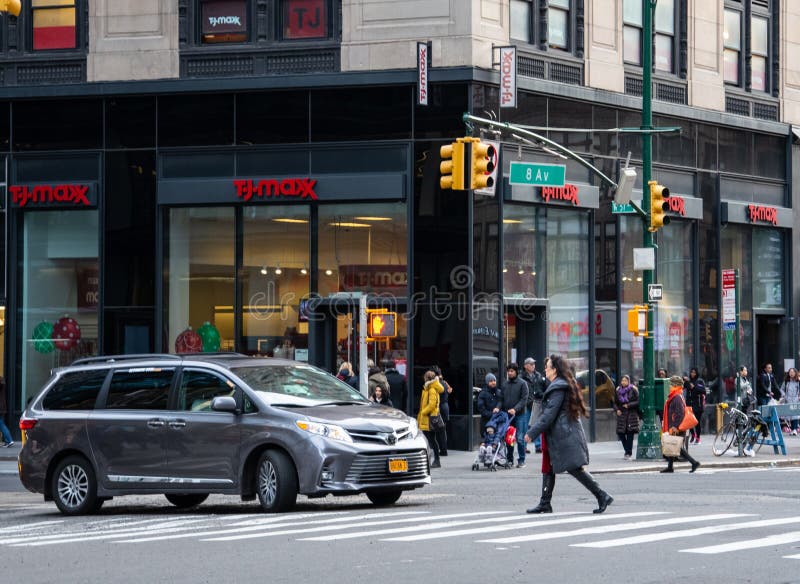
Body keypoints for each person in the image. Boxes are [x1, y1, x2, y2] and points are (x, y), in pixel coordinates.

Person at [524, 354, 613, 514]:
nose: (545, 369)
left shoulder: (558, 387)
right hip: (559, 434)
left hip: (563, 435)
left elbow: (549, 415)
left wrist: (532, 432)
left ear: (555, 370)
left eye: (547, 367)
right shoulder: (557, 384)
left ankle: (602, 495)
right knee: (549, 467)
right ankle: (545, 502)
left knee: (574, 468)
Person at [661, 375, 700, 474]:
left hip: (676, 426)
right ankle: (670, 467)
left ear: (675, 385)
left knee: (677, 447)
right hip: (674, 425)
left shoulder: (677, 397)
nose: (669, 386)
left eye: (671, 384)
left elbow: (680, 413)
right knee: (672, 444)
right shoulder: (676, 395)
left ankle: (694, 462)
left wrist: (675, 426)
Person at [500, 363, 529, 468]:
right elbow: (501, 399)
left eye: (512, 371)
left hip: (520, 415)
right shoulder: (505, 384)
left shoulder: (523, 384)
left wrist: (515, 409)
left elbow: (524, 400)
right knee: (509, 438)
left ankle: (521, 460)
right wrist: (498, 408)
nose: (510, 373)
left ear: (516, 372)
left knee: (520, 438)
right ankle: (510, 459)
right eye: (508, 371)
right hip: (508, 416)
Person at [417, 370, 445, 468]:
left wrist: (423, 412)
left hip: (429, 418)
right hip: (427, 418)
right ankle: (434, 460)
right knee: (430, 440)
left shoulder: (431, 389)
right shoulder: (428, 388)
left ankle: (436, 460)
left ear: (427, 378)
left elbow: (432, 405)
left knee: (431, 440)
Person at [521, 357, 545, 454]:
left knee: (536, 424)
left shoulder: (538, 375)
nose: (533, 366)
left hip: (536, 403)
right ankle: (524, 446)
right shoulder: (521, 376)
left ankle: (538, 446)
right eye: (531, 364)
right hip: (526, 404)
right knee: (526, 426)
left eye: (534, 364)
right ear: (525, 366)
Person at [614, 375, 640, 460]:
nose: (623, 382)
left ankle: (628, 453)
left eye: (625, 381)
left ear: (628, 381)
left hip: (631, 414)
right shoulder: (618, 390)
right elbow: (614, 402)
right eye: (622, 381)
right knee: (621, 433)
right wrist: (617, 409)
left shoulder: (634, 389)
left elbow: (638, 401)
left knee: (630, 434)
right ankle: (627, 450)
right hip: (622, 414)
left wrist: (628, 405)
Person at [432, 365, 452, 456]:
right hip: (445, 406)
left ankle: (442, 450)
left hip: (439, 407)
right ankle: (443, 449)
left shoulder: (436, 384)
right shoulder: (444, 382)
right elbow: (450, 390)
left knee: (438, 430)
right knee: (442, 430)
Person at [684, 367, 706, 444]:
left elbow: (703, 391)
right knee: (689, 422)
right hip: (689, 404)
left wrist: (694, 387)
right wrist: (685, 380)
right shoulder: (688, 381)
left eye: (694, 372)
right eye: (691, 372)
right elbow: (683, 387)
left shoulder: (699, 381)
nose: (692, 374)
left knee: (697, 422)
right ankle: (693, 434)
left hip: (698, 405)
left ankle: (698, 438)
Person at [780, 368, 800, 435]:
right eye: (790, 372)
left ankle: (794, 429)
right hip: (788, 400)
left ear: (795, 373)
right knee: (790, 415)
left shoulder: (798, 381)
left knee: (795, 415)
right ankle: (792, 429)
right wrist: (784, 395)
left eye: (792, 372)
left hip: (796, 400)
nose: (791, 373)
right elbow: (781, 389)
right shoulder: (786, 381)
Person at [0, 378, 13, 448]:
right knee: (1, 424)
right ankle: (8, 441)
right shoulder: (2, 380)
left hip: (0, 408)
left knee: (1, 424)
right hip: (2, 407)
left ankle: (9, 440)